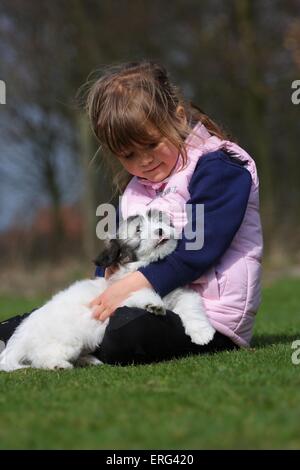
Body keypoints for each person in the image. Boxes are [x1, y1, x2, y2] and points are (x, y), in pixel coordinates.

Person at [0, 60, 263, 366]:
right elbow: (117, 253)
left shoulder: (219, 168)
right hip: (140, 299)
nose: (144, 161)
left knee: (125, 335)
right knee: (46, 319)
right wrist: (106, 278)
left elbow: (199, 248)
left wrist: (130, 284)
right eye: (128, 155)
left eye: (151, 144)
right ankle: (15, 336)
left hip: (209, 318)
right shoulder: (135, 191)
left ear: (177, 119)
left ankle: (66, 346)